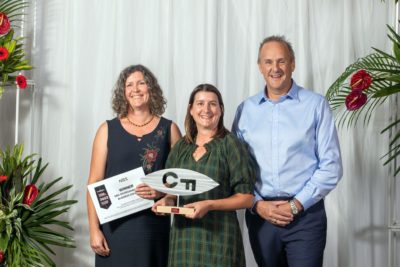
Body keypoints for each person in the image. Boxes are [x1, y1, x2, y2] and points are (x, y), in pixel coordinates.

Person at [232, 35, 343, 267]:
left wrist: (296, 205)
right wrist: (257, 204)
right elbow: (237, 169)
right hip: (261, 217)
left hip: (306, 216)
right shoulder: (245, 110)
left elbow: (331, 166)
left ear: (293, 64)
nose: (275, 68)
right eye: (269, 62)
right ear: (260, 66)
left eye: (281, 61)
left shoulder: (315, 105)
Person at [86, 64, 181, 266]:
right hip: (114, 230)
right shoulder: (106, 130)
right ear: (123, 92)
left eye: (141, 83)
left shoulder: (169, 129)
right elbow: (94, 183)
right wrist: (94, 229)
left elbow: (180, 180)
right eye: (129, 85)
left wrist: (164, 194)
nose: (135, 89)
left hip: (153, 229)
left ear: (151, 89)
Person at [153, 84, 255, 267]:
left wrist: (209, 204)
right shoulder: (181, 148)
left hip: (220, 242)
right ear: (191, 110)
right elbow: (172, 192)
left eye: (212, 104)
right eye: (200, 103)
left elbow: (247, 198)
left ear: (221, 109)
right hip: (184, 243)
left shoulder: (231, 145)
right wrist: (166, 203)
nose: (206, 109)